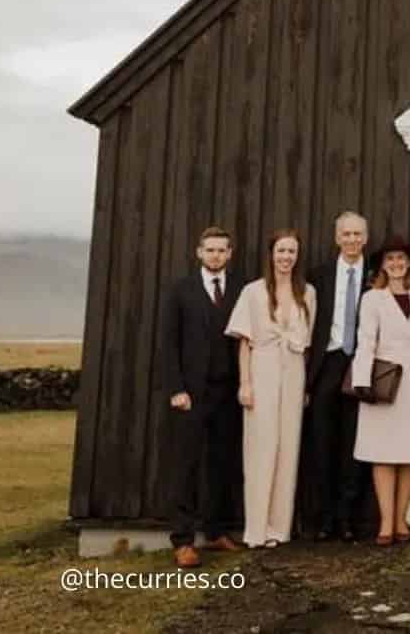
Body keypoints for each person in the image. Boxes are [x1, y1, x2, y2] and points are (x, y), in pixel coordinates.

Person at [161, 225, 244, 568]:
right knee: (187, 466)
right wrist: (177, 388)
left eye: (221, 250)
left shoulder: (241, 289)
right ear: (199, 252)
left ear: (229, 253)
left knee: (221, 463)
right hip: (192, 393)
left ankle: (216, 531)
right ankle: (183, 540)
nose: (216, 256)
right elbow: (169, 344)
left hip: (228, 390)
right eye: (210, 250)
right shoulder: (181, 291)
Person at [226, 229, 315, 548]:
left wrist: (304, 385)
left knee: (288, 448)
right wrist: (245, 383)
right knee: (261, 449)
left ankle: (279, 528)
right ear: (271, 254)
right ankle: (257, 529)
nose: (286, 258)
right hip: (262, 368)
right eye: (281, 251)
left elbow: (307, 344)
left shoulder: (308, 293)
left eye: (291, 252)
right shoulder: (253, 292)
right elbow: (245, 343)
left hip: (293, 370)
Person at [351, 234, 410, 545]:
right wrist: (362, 382)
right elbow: (365, 340)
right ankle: (386, 522)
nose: (397, 264)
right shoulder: (373, 298)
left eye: (402, 259)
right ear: (383, 265)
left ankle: (402, 518)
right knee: (383, 452)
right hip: (383, 377)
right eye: (391, 260)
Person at [306, 211, 370, 542]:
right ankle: (324, 517)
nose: (352, 240)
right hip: (327, 363)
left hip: (360, 363)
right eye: (346, 234)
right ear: (337, 238)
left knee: (353, 442)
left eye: (358, 234)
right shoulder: (318, 275)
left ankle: (347, 518)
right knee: (321, 442)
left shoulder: (376, 275)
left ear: (366, 238)